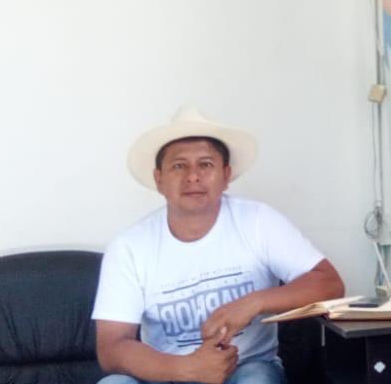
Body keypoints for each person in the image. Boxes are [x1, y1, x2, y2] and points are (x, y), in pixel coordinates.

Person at [92, 106, 344, 384]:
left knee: (256, 380)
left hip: (246, 369)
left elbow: (329, 283)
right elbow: (112, 348)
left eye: (206, 164)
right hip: (167, 375)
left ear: (226, 175)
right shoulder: (129, 247)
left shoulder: (258, 221)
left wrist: (253, 303)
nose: (193, 176)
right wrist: (187, 368)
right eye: (179, 166)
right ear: (159, 179)